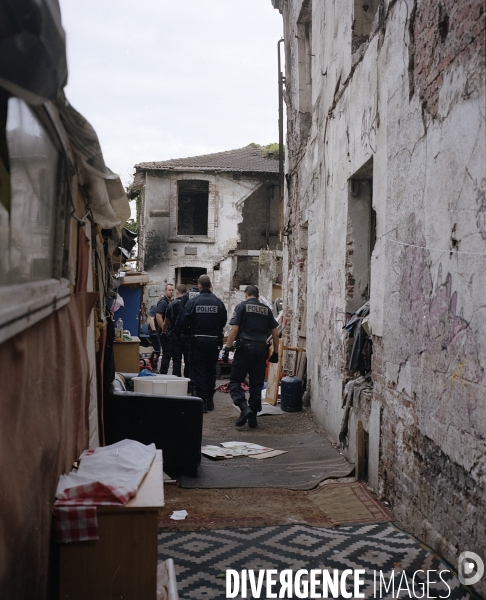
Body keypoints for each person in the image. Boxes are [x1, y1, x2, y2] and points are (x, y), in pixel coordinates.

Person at [222, 285, 279, 428]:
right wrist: (276, 353)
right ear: (258, 296)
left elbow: (234, 329)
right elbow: (275, 333)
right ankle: (253, 415)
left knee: (235, 381)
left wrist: (227, 349)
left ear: (246, 295)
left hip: (244, 349)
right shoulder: (266, 310)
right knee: (256, 383)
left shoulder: (242, 307)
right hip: (260, 350)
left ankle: (244, 407)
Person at [179, 275, 227, 413]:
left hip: (197, 340)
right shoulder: (218, 302)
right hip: (213, 341)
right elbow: (223, 321)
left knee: (199, 370)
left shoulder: (193, 302)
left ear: (199, 285)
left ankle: (202, 401)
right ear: (210, 285)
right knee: (211, 370)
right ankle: (210, 400)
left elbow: (183, 321)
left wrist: (189, 332)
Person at [162, 283, 187, 377]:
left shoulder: (171, 304)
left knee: (176, 360)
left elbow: (166, 321)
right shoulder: (191, 303)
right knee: (188, 361)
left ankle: (177, 381)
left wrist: (163, 332)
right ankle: (188, 384)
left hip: (175, 335)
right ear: (186, 292)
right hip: (187, 335)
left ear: (177, 292)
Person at [155, 283, 174, 374]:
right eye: (169, 290)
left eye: (172, 290)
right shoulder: (163, 302)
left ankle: (164, 371)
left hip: (168, 332)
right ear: (165, 291)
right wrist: (164, 330)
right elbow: (158, 316)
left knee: (168, 353)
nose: (171, 292)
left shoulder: (169, 302)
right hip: (164, 332)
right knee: (167, 353)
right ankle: (163, 372)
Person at [147, 293, 165, 372]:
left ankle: (153, 365)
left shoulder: (164, 307)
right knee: (157, 349)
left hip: (160, 331)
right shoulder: (155, 307)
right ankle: (154, 366)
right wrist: (154, 330)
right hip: (155, 331)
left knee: (159, 349)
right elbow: (151, 319)